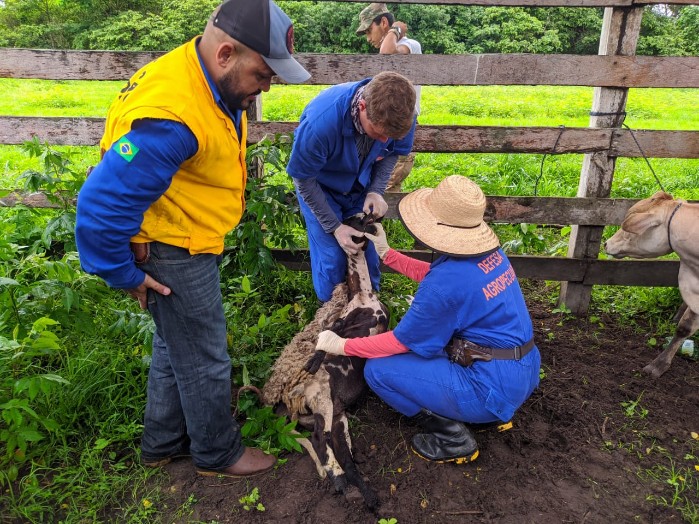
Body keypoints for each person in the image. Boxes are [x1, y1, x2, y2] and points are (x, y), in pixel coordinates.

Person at [75, 0, 310, 478]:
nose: (268, 85)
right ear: (226, 54)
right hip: (173, 248)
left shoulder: (201, 73)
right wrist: (121, 273)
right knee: (205, 356)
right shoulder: (172, 117)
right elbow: (100, 207)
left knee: (175, 345)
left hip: (182, 233)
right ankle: (217, 453)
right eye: (263, 73)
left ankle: (161, 443)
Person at [312, 175, 541, 463]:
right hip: (522, 369)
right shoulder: (490, 254)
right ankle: (484, 411)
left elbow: (400, 341)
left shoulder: (443, 287)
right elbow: (446, 282)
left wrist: (343, 346)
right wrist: (388, 254)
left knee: (378, 371)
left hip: (489, 389)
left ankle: (452, 436)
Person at [286, 71, 417, 303]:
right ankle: (331, 317)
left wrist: (376, 189)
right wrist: (335, 227)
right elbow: (304, 179)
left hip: (360, 184)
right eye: (379, 133)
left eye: (391, 135)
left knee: (369, 252)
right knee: (333, 259)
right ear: (362, 106)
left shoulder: (403, 115)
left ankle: (367, 312)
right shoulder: (321, 123)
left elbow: (392, 153)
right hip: (319, 188)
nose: (384, 141)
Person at [356, 2, 422, 193]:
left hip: (402, 120)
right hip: (386, 118)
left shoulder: (410, 45)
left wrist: (395, 30)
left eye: (369, 30)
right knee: (379, 172)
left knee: (392, 174)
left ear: (383, 22)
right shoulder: (395, 46)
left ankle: (385, 217)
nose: (368, 38)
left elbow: (386, 52)